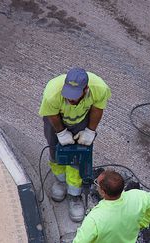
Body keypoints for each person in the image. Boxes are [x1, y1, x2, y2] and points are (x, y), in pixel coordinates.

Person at [39, 67, 111, 222]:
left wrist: (90, 131)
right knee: (55, 151)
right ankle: (60, 181)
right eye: (68, 95)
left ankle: (74, 195)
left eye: (74, 96)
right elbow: (52, 113)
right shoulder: (52, 92)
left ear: (85, 89)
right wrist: (61, 132)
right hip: (56, 121)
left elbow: (98, 108)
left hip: (81, 119)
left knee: (77, 158)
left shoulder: (99, 88)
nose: (70, 100)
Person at [73, 170, 150, 243]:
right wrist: (142, 223)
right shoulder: (138, 197)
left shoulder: (95, 219)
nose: (96, 185)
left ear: (103, 192)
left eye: (97, 183)